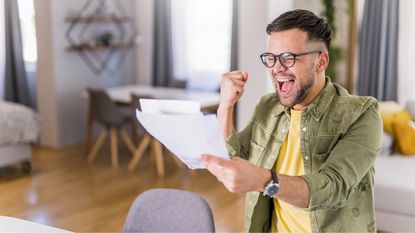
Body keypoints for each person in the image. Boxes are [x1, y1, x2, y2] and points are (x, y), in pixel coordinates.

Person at [202, 9, 382, 232]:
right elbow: (233, 158)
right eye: (271, 58)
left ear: (321, 61)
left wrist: (264, 180)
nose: (277, 68)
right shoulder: (267, 107)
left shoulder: (362, 113)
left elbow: (333, 188)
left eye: (288, 58)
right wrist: (225, 105)